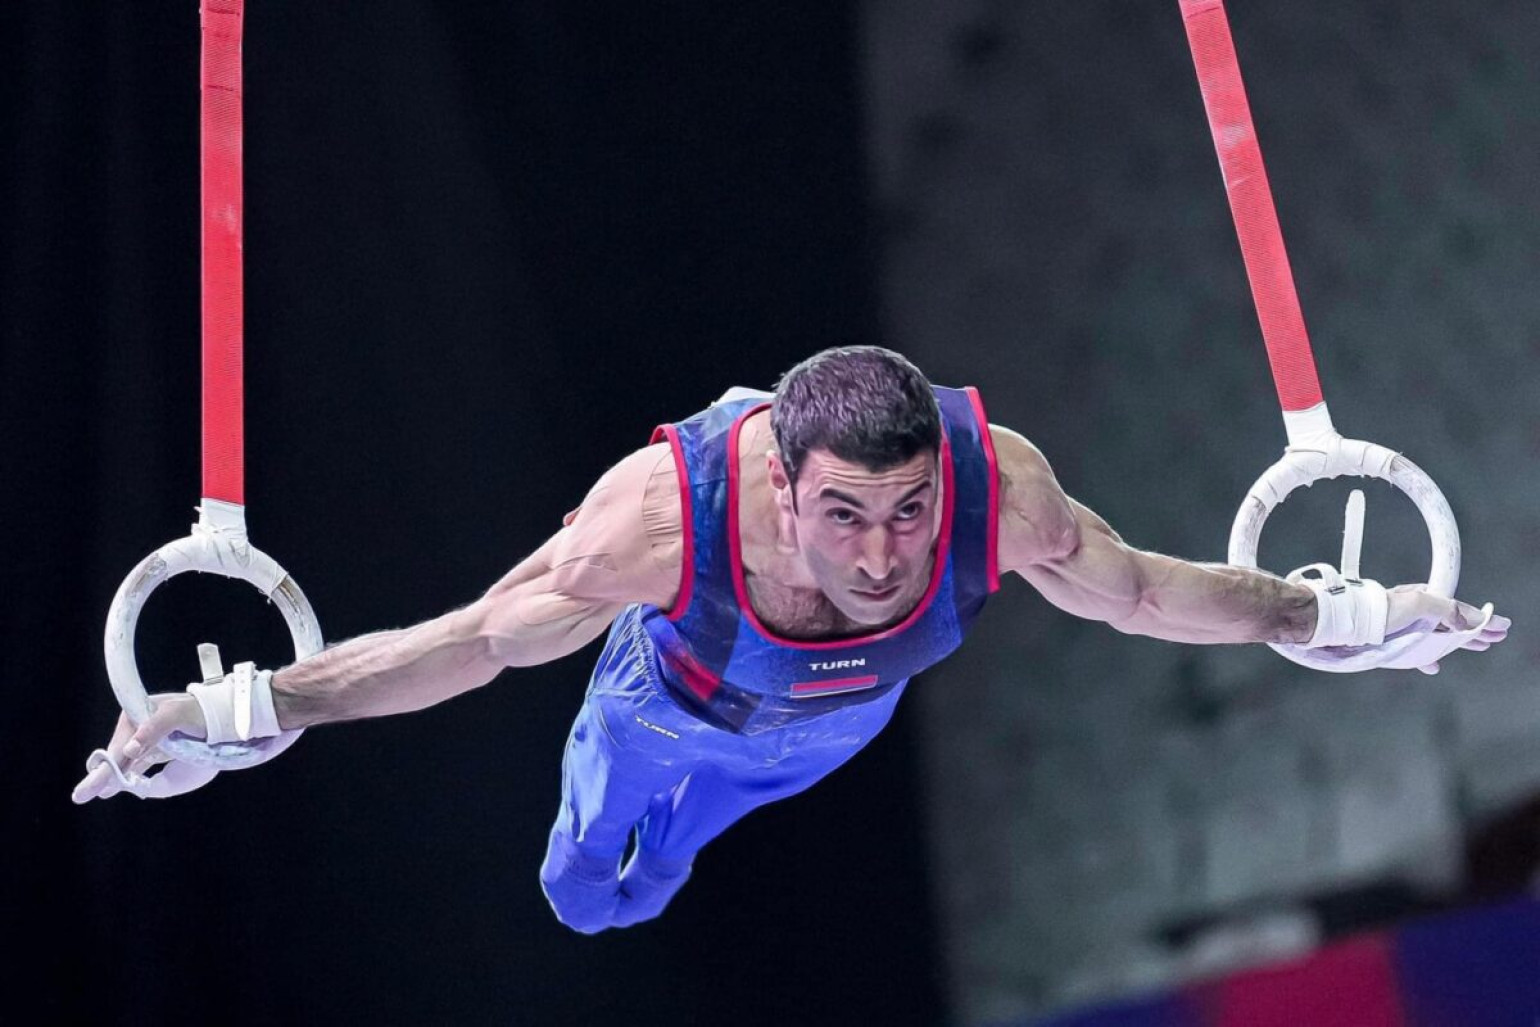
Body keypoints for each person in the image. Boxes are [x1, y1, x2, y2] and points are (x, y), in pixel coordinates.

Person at [73, 346, 1510, 933]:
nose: (883, 556)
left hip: (831, 732)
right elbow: (472, 645)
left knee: (683, 856)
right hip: (660, 710)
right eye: (843, 516)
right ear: (776, 481)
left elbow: (1144, 592)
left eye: (908, 510)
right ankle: (619, 843)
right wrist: (245, 708)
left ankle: (683, 845)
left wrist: (1344, 614)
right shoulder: (659, 522)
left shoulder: (998, 487)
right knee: (584, 892)